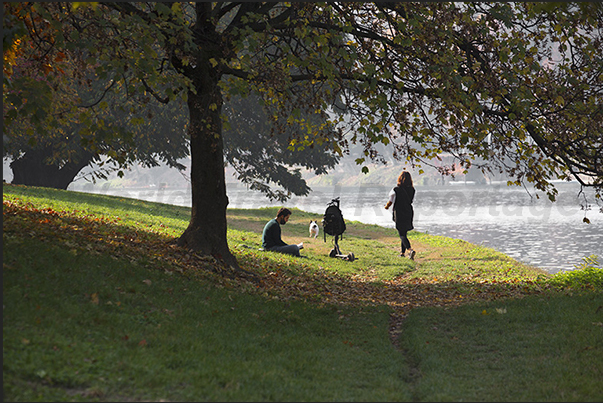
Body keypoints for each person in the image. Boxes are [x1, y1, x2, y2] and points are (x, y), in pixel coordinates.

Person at [384, 171, 416, 260]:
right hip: (409, 212)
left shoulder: (396, 189)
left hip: (399, 212)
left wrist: (386, 207)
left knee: (401, 233)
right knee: (404, 232)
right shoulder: (412, 190)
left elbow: (390, 201)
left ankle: (410, 250)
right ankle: (402, 253)